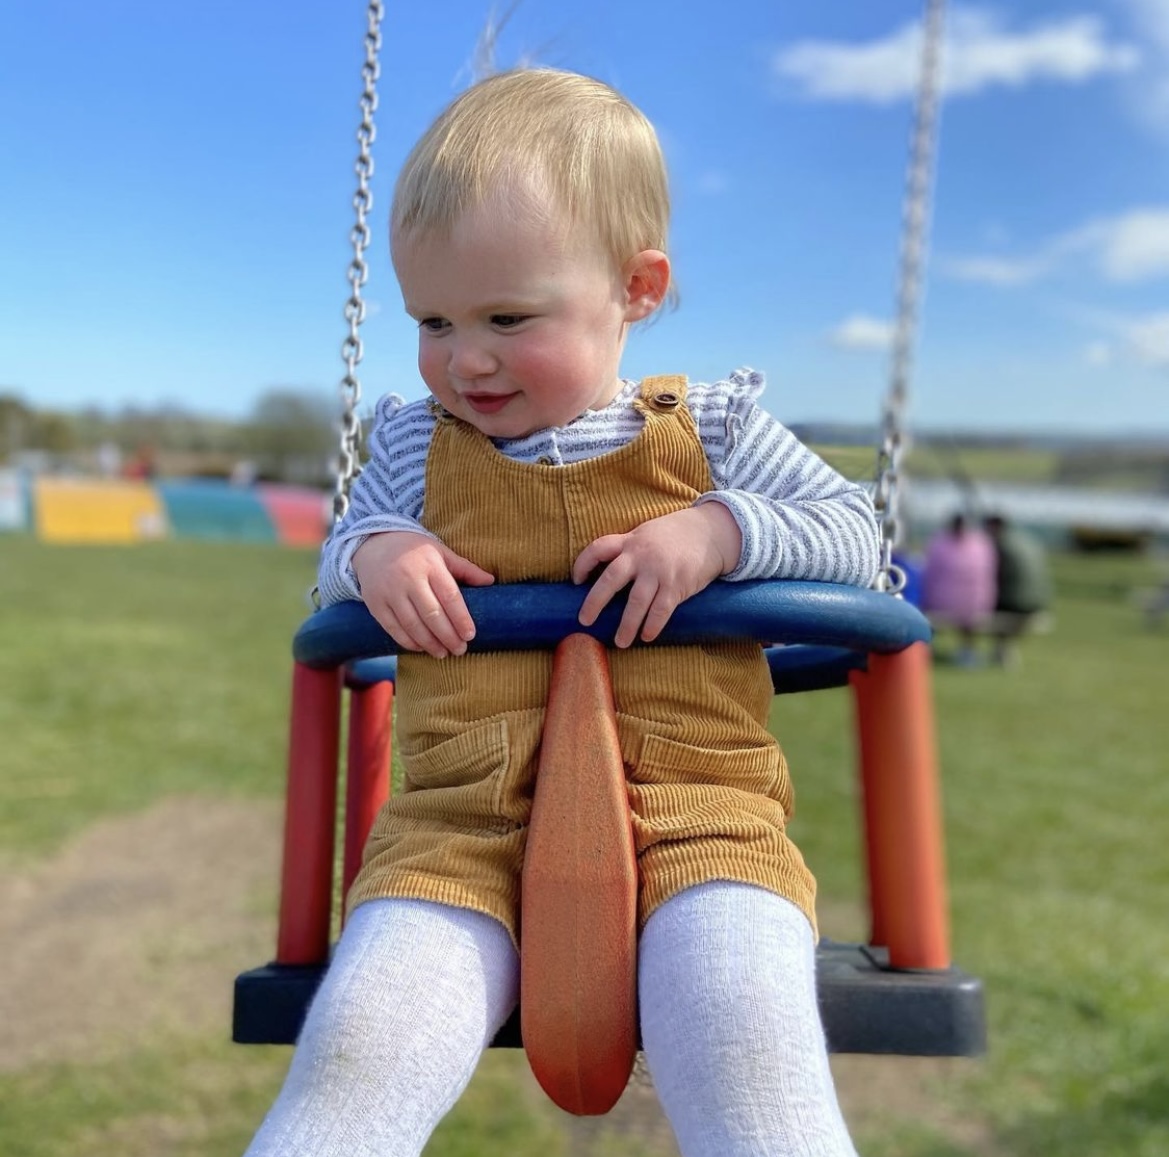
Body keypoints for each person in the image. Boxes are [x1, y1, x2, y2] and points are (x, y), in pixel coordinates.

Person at [245, 68, 879, 1157]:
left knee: (744, 1031)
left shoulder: (715, 429)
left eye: (507, 316)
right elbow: (336, 569)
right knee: (357, 1047)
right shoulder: (412, 444)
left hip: (702, 818)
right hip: (457, 833)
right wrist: (377, 551)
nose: (465, 358)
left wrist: (719, 531)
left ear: (635, 287)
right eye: (433, 319)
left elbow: (855, 534)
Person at [921, 512, 996, 666]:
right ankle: (968, 649)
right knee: (971, 612)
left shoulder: (939, 544)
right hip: (978, 604)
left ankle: (929, 648)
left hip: (942, 603)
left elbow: (930, 575)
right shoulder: (982, 545)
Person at [983, 513, 1052, 666]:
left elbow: (993, 577)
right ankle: (1003, 650)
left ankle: (999, 651)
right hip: (1039, 602)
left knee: (982, 603)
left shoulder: (1000, 545)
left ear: (994, 527)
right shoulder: (1027, 540)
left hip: (1016, 603)